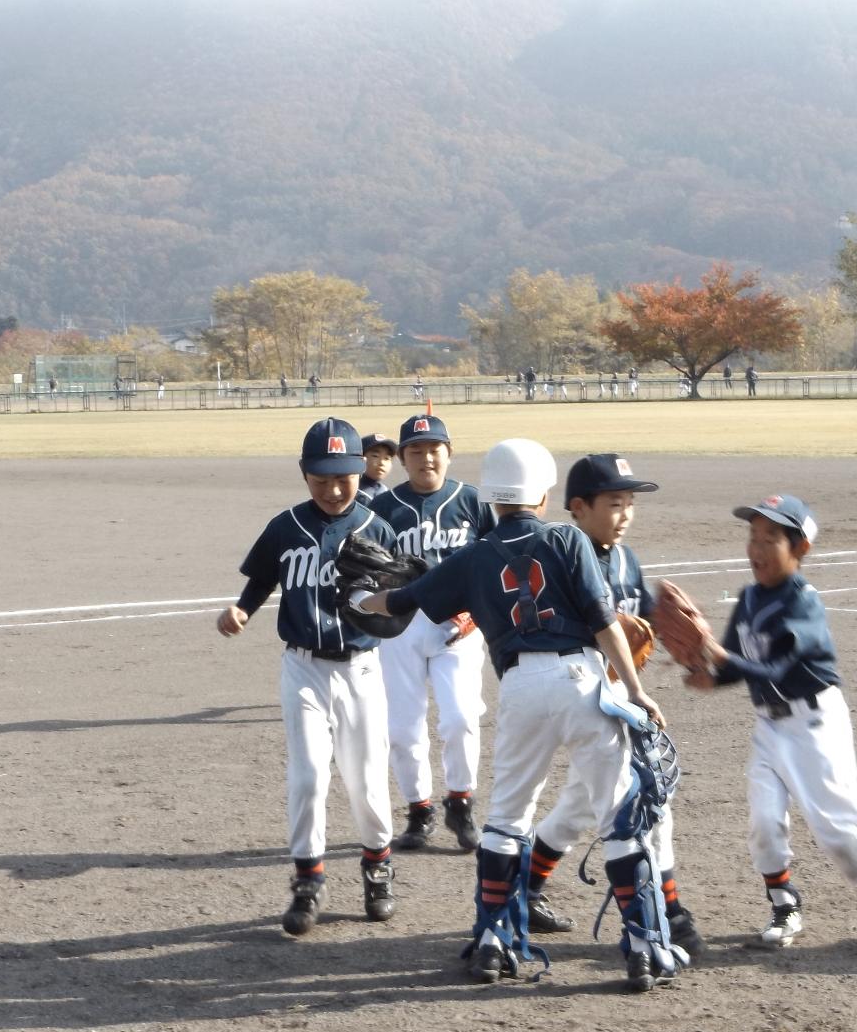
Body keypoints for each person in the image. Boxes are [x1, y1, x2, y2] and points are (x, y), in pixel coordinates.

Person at [347, 440, 675, 991]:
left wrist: (358, 601)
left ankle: (495, 942)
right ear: (544, 495)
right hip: (581, 680)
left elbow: (397, 605)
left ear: (490, 498)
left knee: (507, 820)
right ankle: (645, 947)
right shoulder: (568, 538)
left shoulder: (472, 557)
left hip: (521, 687)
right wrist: (638, 691)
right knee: (619, 817)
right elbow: (603, 622)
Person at [682, 494, 857, 957]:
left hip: (815, 724)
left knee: (836, 828)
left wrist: (718, 654)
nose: (756, 548)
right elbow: (740, 666)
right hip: (769, 728)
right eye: (752, 537)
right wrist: (709, 677)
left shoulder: (803, 603)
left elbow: (777, 669)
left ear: (800, 549)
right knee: (763, 820)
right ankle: (784, 903)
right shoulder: (751, 597)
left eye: (770, 538)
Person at [216, 418, 398, 936]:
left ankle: (377, 865)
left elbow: (400, 595)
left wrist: (408, 597)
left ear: (360, 470)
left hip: (362, 668)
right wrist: (242, 609)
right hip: (303, 667)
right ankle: (308, 879)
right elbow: (260, 578)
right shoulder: (285, 526)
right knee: (309, 775)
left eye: (344, 477)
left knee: (365, 780)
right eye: (322, 479)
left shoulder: (376, 528)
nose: (335, 488)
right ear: (304, 474)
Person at [524, 453, 706, 957]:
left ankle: (523, 888)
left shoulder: (627, 560)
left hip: (620, 703)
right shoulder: (562, 555)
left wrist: (694, 649)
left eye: (629, 504)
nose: (624, 513)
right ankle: (670, 913)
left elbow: (646, 621)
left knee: (579, 806)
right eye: (613, 503)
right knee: (651, 803)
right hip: (580, 700)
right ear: (578, 508)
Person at [367, 413, 494, 851]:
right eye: (415, 451)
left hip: (458, 625)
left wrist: (476, 612)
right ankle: (418, 810)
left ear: (449, 453)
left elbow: (494, 566)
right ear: (403, 458)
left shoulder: (472, 502)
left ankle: (460, 802)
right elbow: (365, 572)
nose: (426, 459)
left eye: (434, 449)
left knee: (460, 718)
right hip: (400, 627)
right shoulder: (380, 509)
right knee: (403, 728)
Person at [358, 432, 399, 502]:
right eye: (375, 456)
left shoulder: (386, 492)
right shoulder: (352, 493)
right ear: (361, 458)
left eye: (386, 458)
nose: (381, 463)